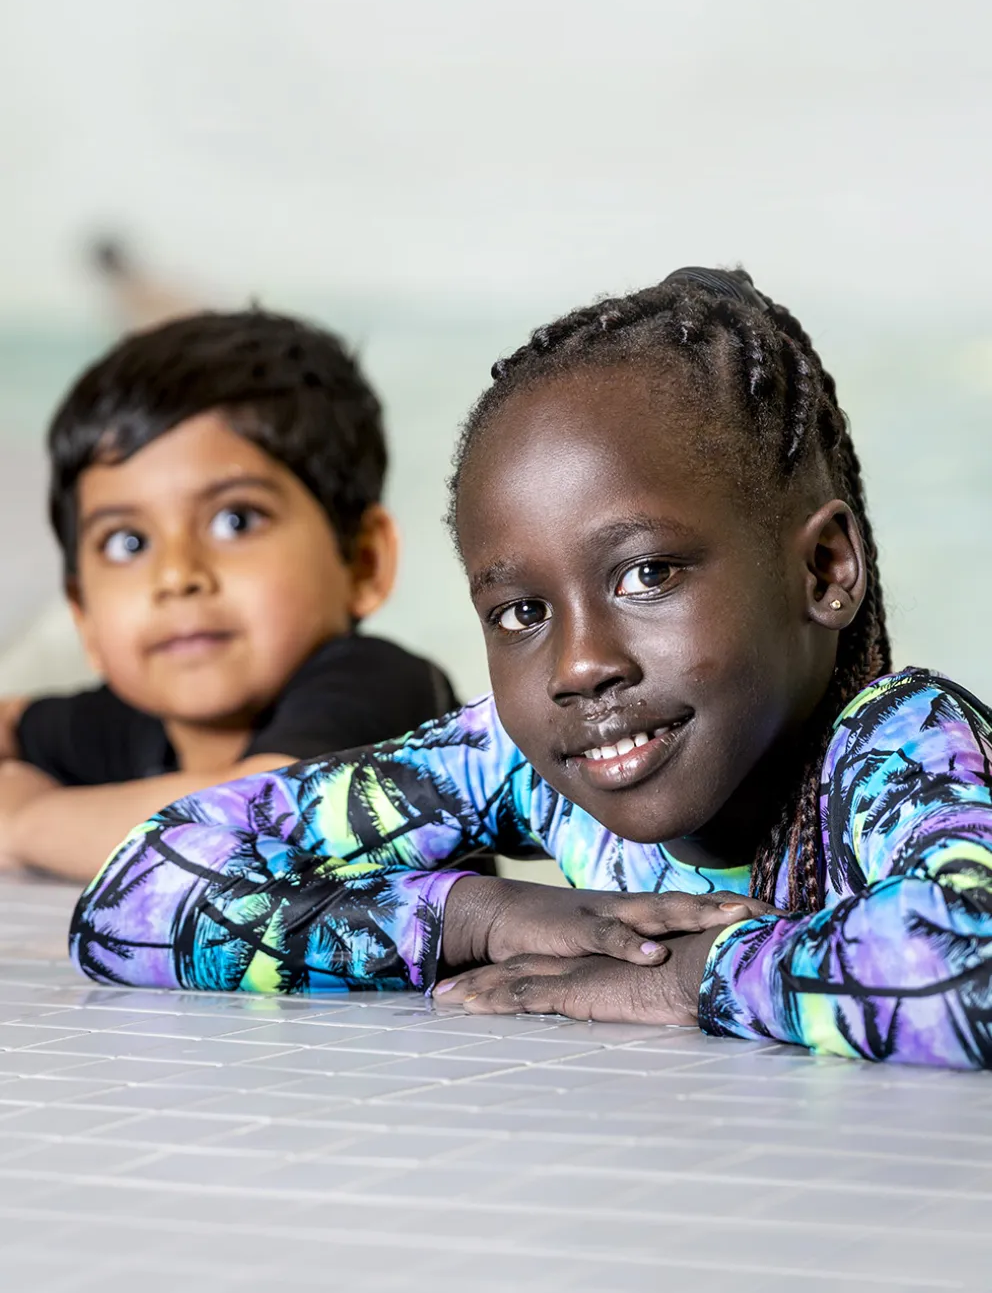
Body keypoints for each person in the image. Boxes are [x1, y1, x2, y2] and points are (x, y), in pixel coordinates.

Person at [68, 268, 992, 1069]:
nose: (581, 665)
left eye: (646, 574)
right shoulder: (519, 762)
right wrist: (473, 919)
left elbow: (973, 959)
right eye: (521, 612)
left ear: (823, 570)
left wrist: (694, 977)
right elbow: (134, 896)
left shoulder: (894, 747)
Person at [0, 309, 456, 880]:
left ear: (363, 562)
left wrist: (26, 821)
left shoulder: (383, 692)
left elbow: (256, 825)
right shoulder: (128, 722)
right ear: (84, 616)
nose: (177, 575)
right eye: (128, 541)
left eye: (236, 520)